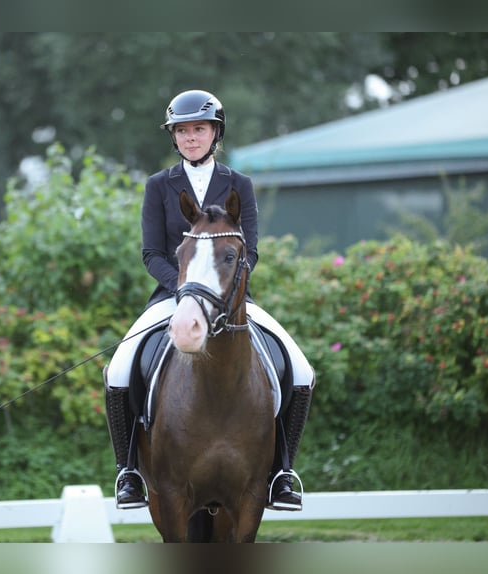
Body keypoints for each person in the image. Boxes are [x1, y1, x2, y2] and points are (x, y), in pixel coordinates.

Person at [103, 89, 315, 511]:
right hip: (173, 297)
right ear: (174, 137)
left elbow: (249, 251)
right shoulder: (159, 186)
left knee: (303, 371)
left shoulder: (239, 185)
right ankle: (128, 471)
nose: (190, 137)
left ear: (215, 133)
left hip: (231, 300)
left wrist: (218, 293)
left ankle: (281, 473)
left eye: (198, 129)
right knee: (119, 370)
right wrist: (184, 290)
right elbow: (151, 254)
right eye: (182, 131)